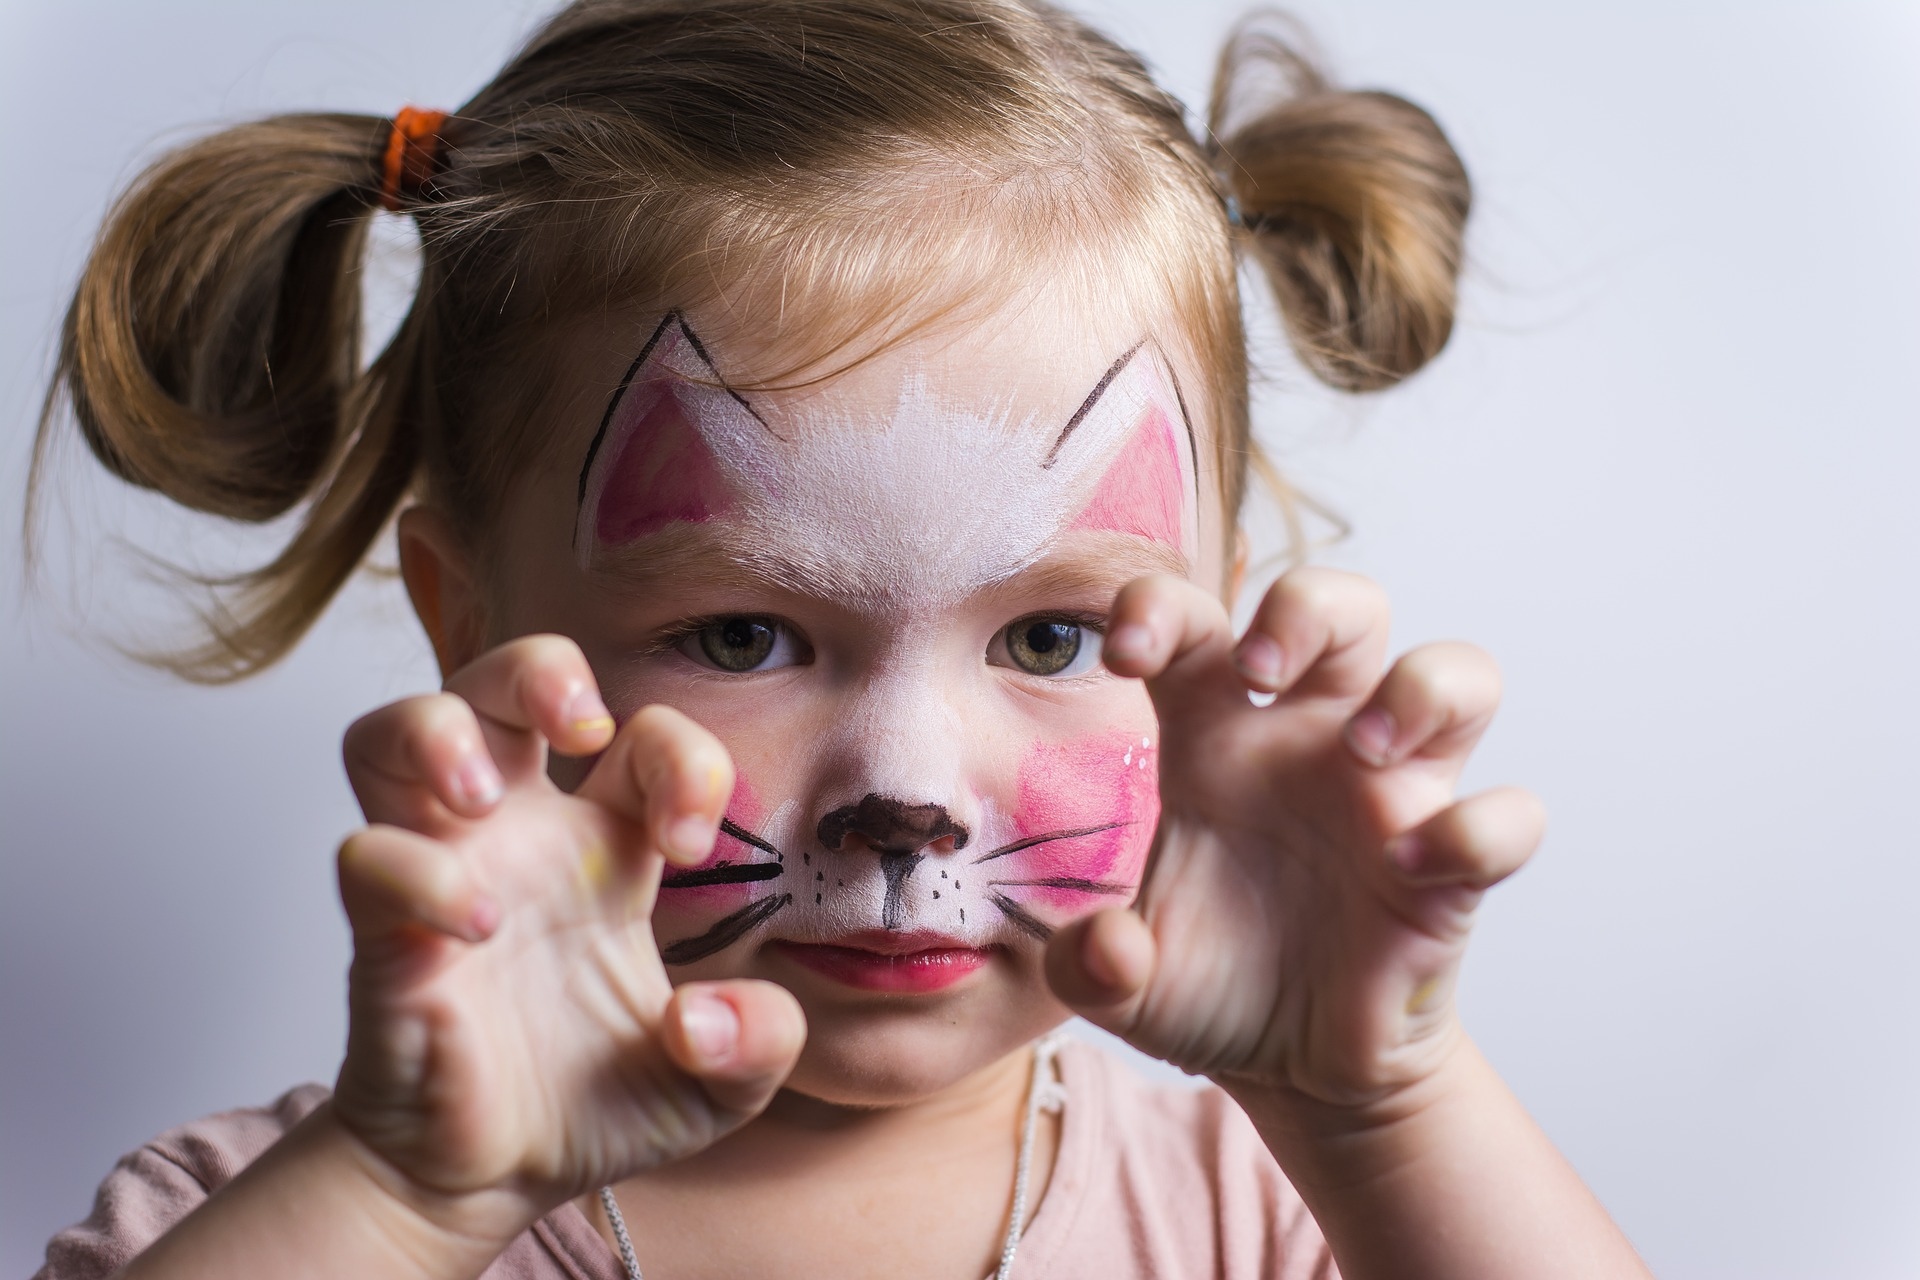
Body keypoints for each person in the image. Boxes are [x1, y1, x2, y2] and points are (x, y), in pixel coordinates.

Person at [27, 2, 1650, 1276]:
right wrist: (395, 1198)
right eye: (739, 635)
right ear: (473, 628)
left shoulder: (1294, 1217)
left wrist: (1379, 1108)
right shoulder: (273, 1219)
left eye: (1054, 638)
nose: (911, 796)